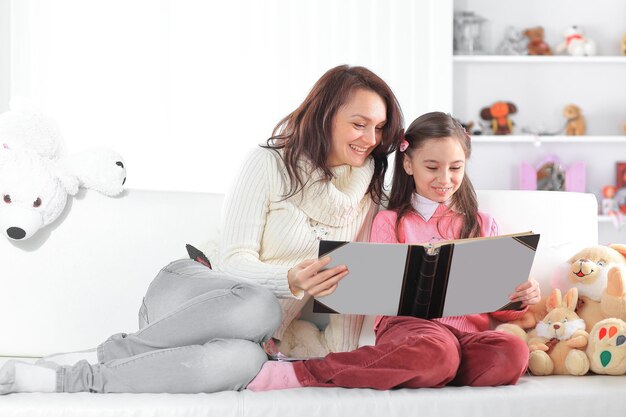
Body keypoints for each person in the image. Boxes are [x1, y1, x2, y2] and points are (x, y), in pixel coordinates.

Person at [0, 64, 404, 394]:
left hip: (257, 336)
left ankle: (61, 378)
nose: (371, 139)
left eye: (380, 128)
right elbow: (232, 261)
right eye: (359, 124)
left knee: (243, 364)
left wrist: (337, 359)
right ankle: (109, 352)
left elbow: (353, 294)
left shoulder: (369, 195)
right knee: (260, 303)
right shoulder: (268, 163)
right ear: (326, 115)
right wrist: (291, 280)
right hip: (194, 291)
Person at [246, 111, 541, 391]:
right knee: (436, 351)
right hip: (409, 331)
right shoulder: (391, 222)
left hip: (466, 338)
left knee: (513, 351)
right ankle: (307, 372)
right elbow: (382, 293)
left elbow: (503, 309)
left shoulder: (482, 223)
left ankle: (434, 370)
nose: (445, 179)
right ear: (409, 165)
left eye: (455, 168)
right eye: (432, 167)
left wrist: (521, 298)